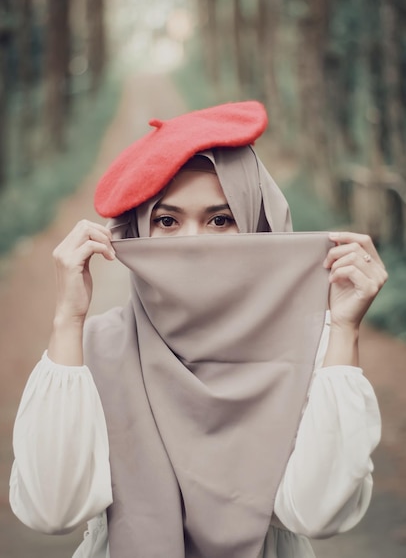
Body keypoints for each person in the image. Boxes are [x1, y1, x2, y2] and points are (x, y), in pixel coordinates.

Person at [10, 101, 387, 558]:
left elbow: (318, 514)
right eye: (167, 221)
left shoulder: (315, 348)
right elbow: (52, 511)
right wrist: (67, 321)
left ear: (259, 229)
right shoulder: (93, 350)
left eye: (221, 220)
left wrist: (343, 330)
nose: (193, 243)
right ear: (135, 234)